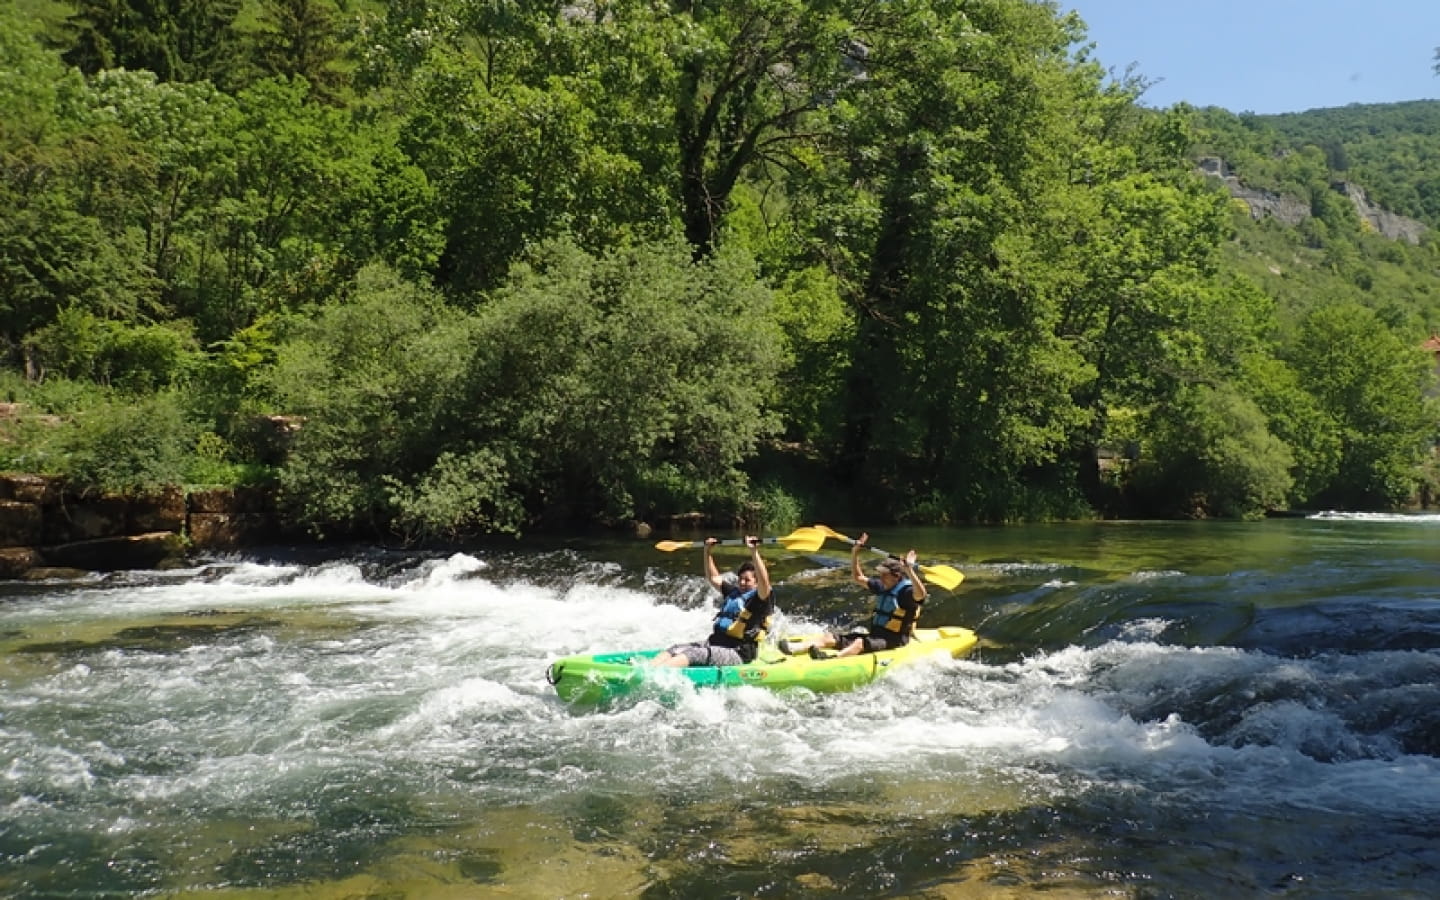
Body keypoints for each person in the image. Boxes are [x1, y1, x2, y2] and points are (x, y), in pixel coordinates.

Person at [779, 532, 927, 659]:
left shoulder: (906, 593)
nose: (880, 577)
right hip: (875, 636)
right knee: (831, 637)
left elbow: (921, 594)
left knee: (859, 643)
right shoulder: (882, 587)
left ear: (896, 576)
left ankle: (831, 661)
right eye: (880, 574)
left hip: (894, 640)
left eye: (884, 574)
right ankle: (794, 648)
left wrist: (909, 570)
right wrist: (855, 552)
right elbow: (858, 578)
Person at [651, 535, 775, 667]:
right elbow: (713, 577)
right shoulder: (734, 593)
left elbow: (764, 581)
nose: (742, 582)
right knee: (674, 649)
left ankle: (654, 674)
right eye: (740, 579)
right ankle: (649, 668)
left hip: (737, 652)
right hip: (716, 643)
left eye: (747, 580)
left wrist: (753, 551)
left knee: (693, 654)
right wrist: (707, 551)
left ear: (756, 583)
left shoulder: (760, 599)